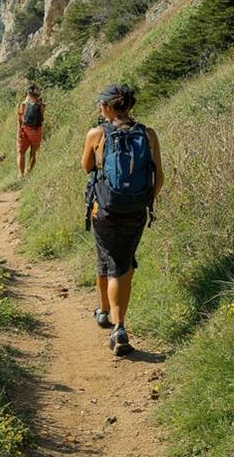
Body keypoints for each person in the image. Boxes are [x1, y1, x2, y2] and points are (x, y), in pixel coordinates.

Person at [81, 84, 164, 356]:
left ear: (107, 107)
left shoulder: (96, 134)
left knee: (111, 261)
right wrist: (143, 200)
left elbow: (87, 168)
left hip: (103, 209)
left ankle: (118, 326)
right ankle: (105, 312)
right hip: (136, 210)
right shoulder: (147, 134)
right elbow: (159, 177)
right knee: (121, 261)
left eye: (100, 105)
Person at [17, 86, 45, 177]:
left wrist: (19, 132)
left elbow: (20, 120)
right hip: (37, 131)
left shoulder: (23, 104)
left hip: (25, 130)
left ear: (27, 94)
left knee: (21, 153)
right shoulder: (41, 105)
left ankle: (21, 174)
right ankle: (28, 172)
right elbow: (42, 118)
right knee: (33, 153)